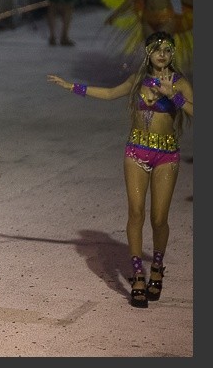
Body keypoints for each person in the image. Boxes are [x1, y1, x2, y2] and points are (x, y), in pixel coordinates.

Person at [47, 31, 193, 308]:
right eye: (156, 49)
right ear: (147, 53)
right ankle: (137, 274)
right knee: (135, 212)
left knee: (159, 218)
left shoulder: (179, 83)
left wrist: (172, 96)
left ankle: (157, 269)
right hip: (135, 151)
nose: (162, 54)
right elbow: (110, 93)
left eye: (167, 49)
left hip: (166, 155)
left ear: (172, 54)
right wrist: (72, 87)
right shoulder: (138, 80)